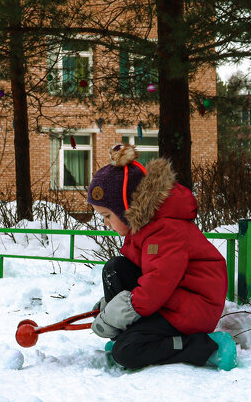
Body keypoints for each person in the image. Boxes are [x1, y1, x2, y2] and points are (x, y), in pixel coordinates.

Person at [87, 143, 236, 370]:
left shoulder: (164, 231)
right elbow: (143, 276)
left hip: (193, 309)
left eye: (107, 215)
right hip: (173, 296)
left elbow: (156, 284)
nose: (105, 223)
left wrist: (115, 316)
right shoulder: (144, 225)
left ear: (127, 207)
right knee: (115, 268)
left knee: (125, 353)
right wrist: (111, 307)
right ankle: (134, 337)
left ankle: (207, 347)